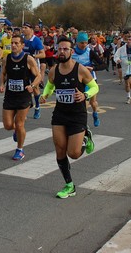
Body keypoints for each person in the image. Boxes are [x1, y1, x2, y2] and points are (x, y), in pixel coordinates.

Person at [40, 37, 99, 199]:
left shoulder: (80, 69)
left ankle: (86, 138)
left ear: (71, 52)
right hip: (60, 114)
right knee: (60, 149)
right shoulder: (54, 70)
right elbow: (50, 84)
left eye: (65, 49)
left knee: (73, 153)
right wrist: (46, 94)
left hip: (77, 115)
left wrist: (85, 94)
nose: (62, 51)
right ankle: (69, 185)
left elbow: (95, 86)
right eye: (59, 49)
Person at [0, 35, 42, 160]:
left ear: (22, 45)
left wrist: (32, 85)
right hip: (10, 96)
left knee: (19, 124)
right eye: (12, 43)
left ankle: (20, 150)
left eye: (17, 43)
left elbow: (38, 76)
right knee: (7, 125)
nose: (13, 45)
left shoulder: (28, 59)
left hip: (24, 96)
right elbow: (3, 73)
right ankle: (16, 130)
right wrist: (2, 84)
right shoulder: (7, 58)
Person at [21, 22, 45, 119]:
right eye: (22, 28)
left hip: (34, 66)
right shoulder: (21, 39)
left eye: (26, 27)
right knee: (22, 87)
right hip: (23, 66)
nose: (23, 29)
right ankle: (25, 107)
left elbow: (43, 54)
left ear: (31, 29)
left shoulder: (36, 40)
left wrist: (33, 56)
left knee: (35, 88)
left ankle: (37, 107)